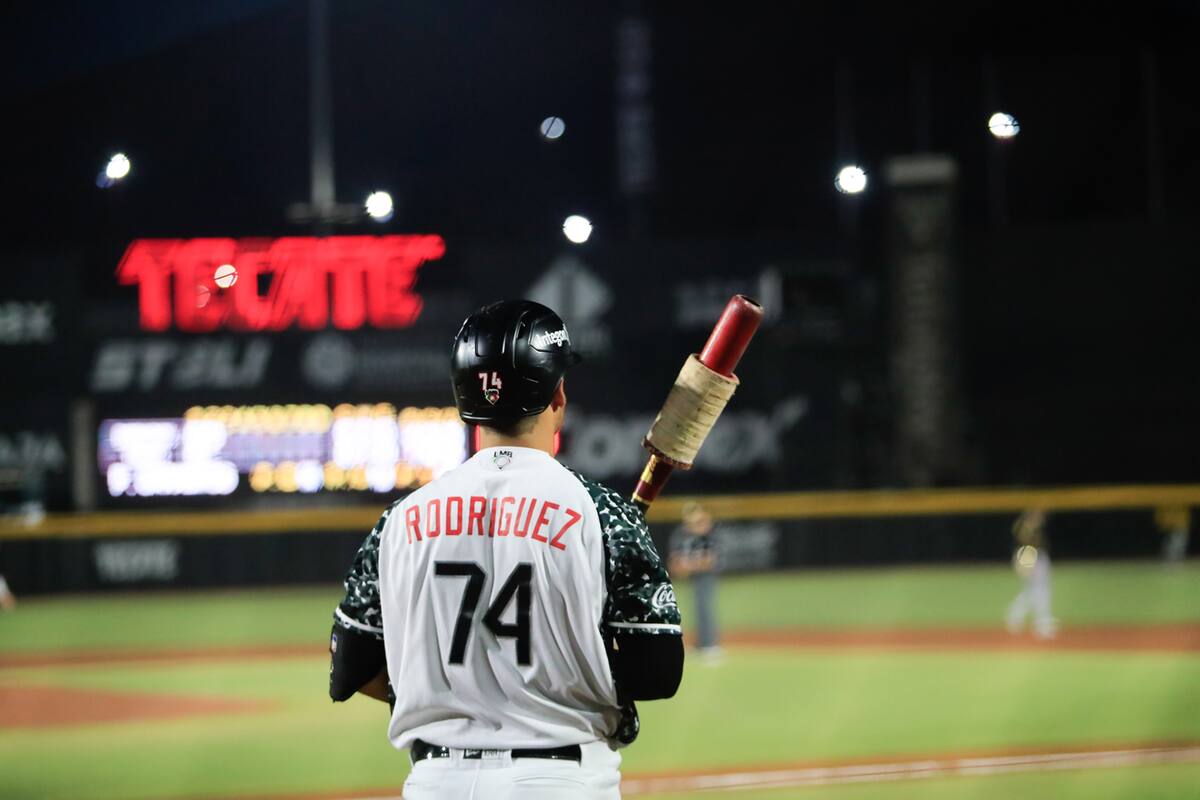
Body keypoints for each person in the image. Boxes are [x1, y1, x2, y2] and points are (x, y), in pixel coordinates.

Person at [328, 300, 683, 800]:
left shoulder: (400, 520)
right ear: (558, 395)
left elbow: (350, 669)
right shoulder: (601, 515)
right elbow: (658, 672)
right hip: (560, 779)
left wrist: (453, 695)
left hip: (435, 783)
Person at [668, 502, 721, 660]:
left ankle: (711, 645)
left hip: (706, 577)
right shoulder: (681, 535)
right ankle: (701, 644)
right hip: (692, 578)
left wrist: (689, 565)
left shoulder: (708, 535)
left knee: (705, 608)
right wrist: (688, 566)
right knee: (696, 609)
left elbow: (710, 561)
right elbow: (675, 564)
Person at [1004, 508, 1058, 639]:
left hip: (1036, 556)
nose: (1041, 517)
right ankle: (1041, 622)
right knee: (1038, 590)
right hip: (1028, 555)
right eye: (1037, 515)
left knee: (1036, 590)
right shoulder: (1025, 527)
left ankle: (1016, 615)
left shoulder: (1035, 527)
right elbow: (1024, 544)